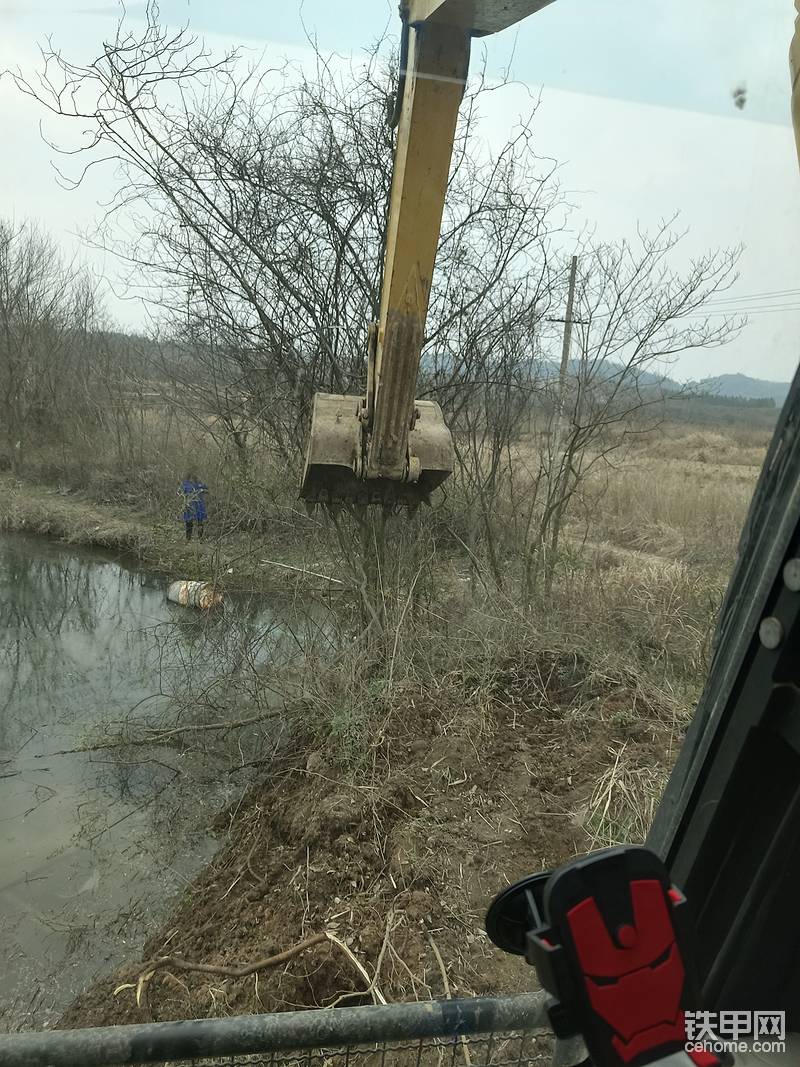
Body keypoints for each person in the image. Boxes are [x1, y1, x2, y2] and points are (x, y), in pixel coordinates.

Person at [179, 473, 208, 541]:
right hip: (190, 505)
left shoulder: (199, 484)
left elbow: (206, 491)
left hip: (198, 505)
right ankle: (189, 539)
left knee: (199, 522)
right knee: (190, 522)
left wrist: (202, 490)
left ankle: (199, 539)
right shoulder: (186, 484)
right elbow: (180, 493)